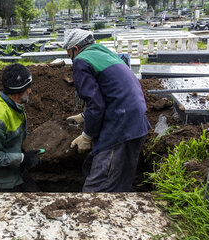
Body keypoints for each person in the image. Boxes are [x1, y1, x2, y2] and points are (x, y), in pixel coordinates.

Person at [63, 29, 151, 192]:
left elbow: (96, 104)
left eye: (68, 53)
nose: (70, 58)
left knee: (96, 190)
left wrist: (87, 136)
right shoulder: (104, 52)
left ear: (75, 49)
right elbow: (112, 91)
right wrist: (84, 116)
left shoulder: (81, 61)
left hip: (120, 128)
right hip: (136, 123)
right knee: (120, 183)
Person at [0, 63, 40, 192]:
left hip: (16, 172)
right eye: (28, 88)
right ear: (18, 91)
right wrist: (23, 158)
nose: (30, 91)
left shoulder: (14, 106)